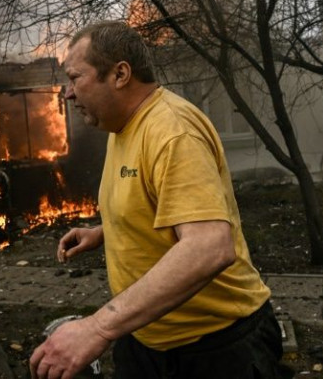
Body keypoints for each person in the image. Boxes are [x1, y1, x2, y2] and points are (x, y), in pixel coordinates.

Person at [29, 21, 282, 379]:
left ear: (119, 74)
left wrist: (96, 328)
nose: (68, 93)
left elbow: (209, 246)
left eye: (75, 77)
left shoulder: (172, 131)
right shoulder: (123, 126)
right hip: (147, 337)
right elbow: (157, 202)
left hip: (214, 348)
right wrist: (105, 230)